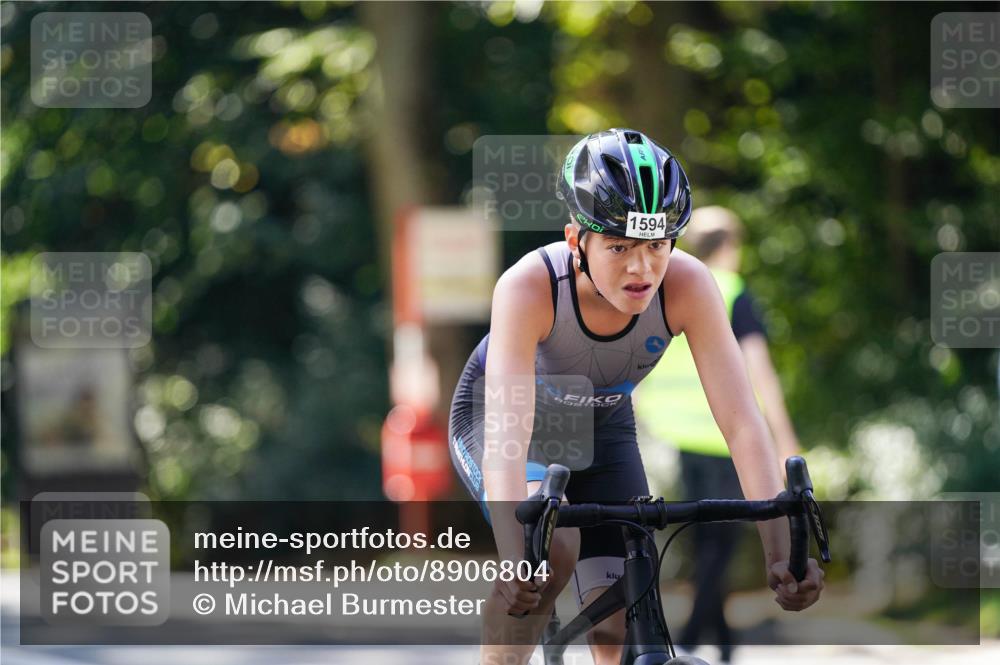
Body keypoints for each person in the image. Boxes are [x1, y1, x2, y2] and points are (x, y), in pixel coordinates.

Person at [448, 129, 823, 665]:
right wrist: (515, 558)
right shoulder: (529, 286)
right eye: (619, 247)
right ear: (576, 240)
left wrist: (780, 555)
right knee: (550, 553)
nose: (641, 268)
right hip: (506, 423)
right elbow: (510, 432)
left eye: (656, 245)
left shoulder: (690, 284)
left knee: (621, 611)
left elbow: (742, 422)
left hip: (605, 429)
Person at [634, 205, 802, 663]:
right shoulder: (730, 290)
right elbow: (759, 370)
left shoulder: (666, 286)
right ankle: (687, 641)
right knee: (720, 545)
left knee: (708, 542)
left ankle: (724, 644)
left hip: (678, 433)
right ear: (729, 246)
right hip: (724, 437)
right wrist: (783, 435)